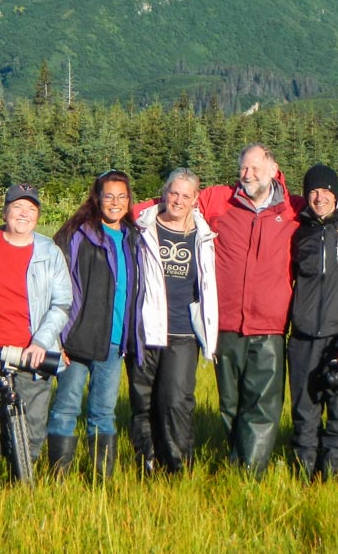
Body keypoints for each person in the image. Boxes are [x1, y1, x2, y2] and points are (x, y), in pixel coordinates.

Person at [196, 143, 303, 476]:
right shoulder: (219, 200)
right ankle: (235, 462)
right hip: (225, 324)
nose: (248, 175)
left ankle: (250, 476)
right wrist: (118, 210)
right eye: (243, 168)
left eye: (256, 168)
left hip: (269, 327)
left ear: (273, 169)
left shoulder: (293, 208)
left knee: (262, 406)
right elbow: (175, 200)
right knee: (230, 403)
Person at [0, 183, 72, 486]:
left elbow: (62, 304)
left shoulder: (49, 252)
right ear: (5, 211)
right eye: (18, 208)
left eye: (31, 210)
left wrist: (41, 342)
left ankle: (19, 491)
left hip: (31, 352)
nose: (24, 215)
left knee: (31, 428)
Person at [47, 170, 143, 480]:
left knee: (103, 412)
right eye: (109, 196)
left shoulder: (133, 238)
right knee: (66, 408)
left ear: (129, 201)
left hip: (114, 342)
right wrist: (56, 339)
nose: (115, 202)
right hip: (75, 340)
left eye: (122, 196)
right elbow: (55, 287)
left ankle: (102, 482)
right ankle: (58, 478)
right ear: (97, 198)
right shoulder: (76, 235)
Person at [127, 168, 218, 474]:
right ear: (165, 193)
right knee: (144, 401)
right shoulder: (141, 228)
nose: (178, 200)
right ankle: (146, 464)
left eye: (185, 195)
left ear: (196, 199)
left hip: (182, 331)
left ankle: (178, 466)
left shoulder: (203, 235)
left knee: (176, 400)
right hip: (145, 329)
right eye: (173, 193)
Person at [288, 164, 338, 481]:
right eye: (312, 191)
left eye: (325, 191)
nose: (319, 197)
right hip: (304, 335)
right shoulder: (299, 232)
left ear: (336, 193)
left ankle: (334, 472)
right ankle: (304, 471)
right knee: (304, 409)